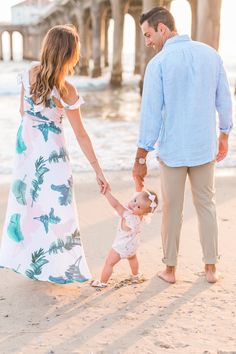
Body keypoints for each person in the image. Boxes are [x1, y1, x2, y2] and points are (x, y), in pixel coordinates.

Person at [0, 25, 109, 284]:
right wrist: (98, 170)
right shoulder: (66, 90)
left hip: (27, 151)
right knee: (57, 210)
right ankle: (57, 267)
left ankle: (33, 266)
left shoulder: (28, 75)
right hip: (53, 155)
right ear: (70, 53)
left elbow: (22, 112)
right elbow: (81, 134)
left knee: (30, 206)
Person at [132, 7, 232, 284]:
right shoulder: (211, 55)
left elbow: (151, 114)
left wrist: (141, 155)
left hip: (174, 150)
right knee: (206, 205)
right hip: (203, 146)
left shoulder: (159, 64)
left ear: (162, 29)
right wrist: (224, 134)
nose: (147, 42)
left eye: (149, 34)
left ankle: (170, 270)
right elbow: (224, 99)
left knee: (172, 209)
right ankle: (211, 269)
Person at [91, 189, 158, 288]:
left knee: (109, 263)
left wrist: (107, 193)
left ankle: (102, 282)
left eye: (138, 207)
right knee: (132, 258)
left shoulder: (128, 215)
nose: (133, 205)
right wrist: (138, 182)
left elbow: (116, 205)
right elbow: (139, 194)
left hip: (120, 247)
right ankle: (136, 275)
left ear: (144, 212)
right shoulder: (140, 217)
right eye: (134, 200)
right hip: (132, 246)